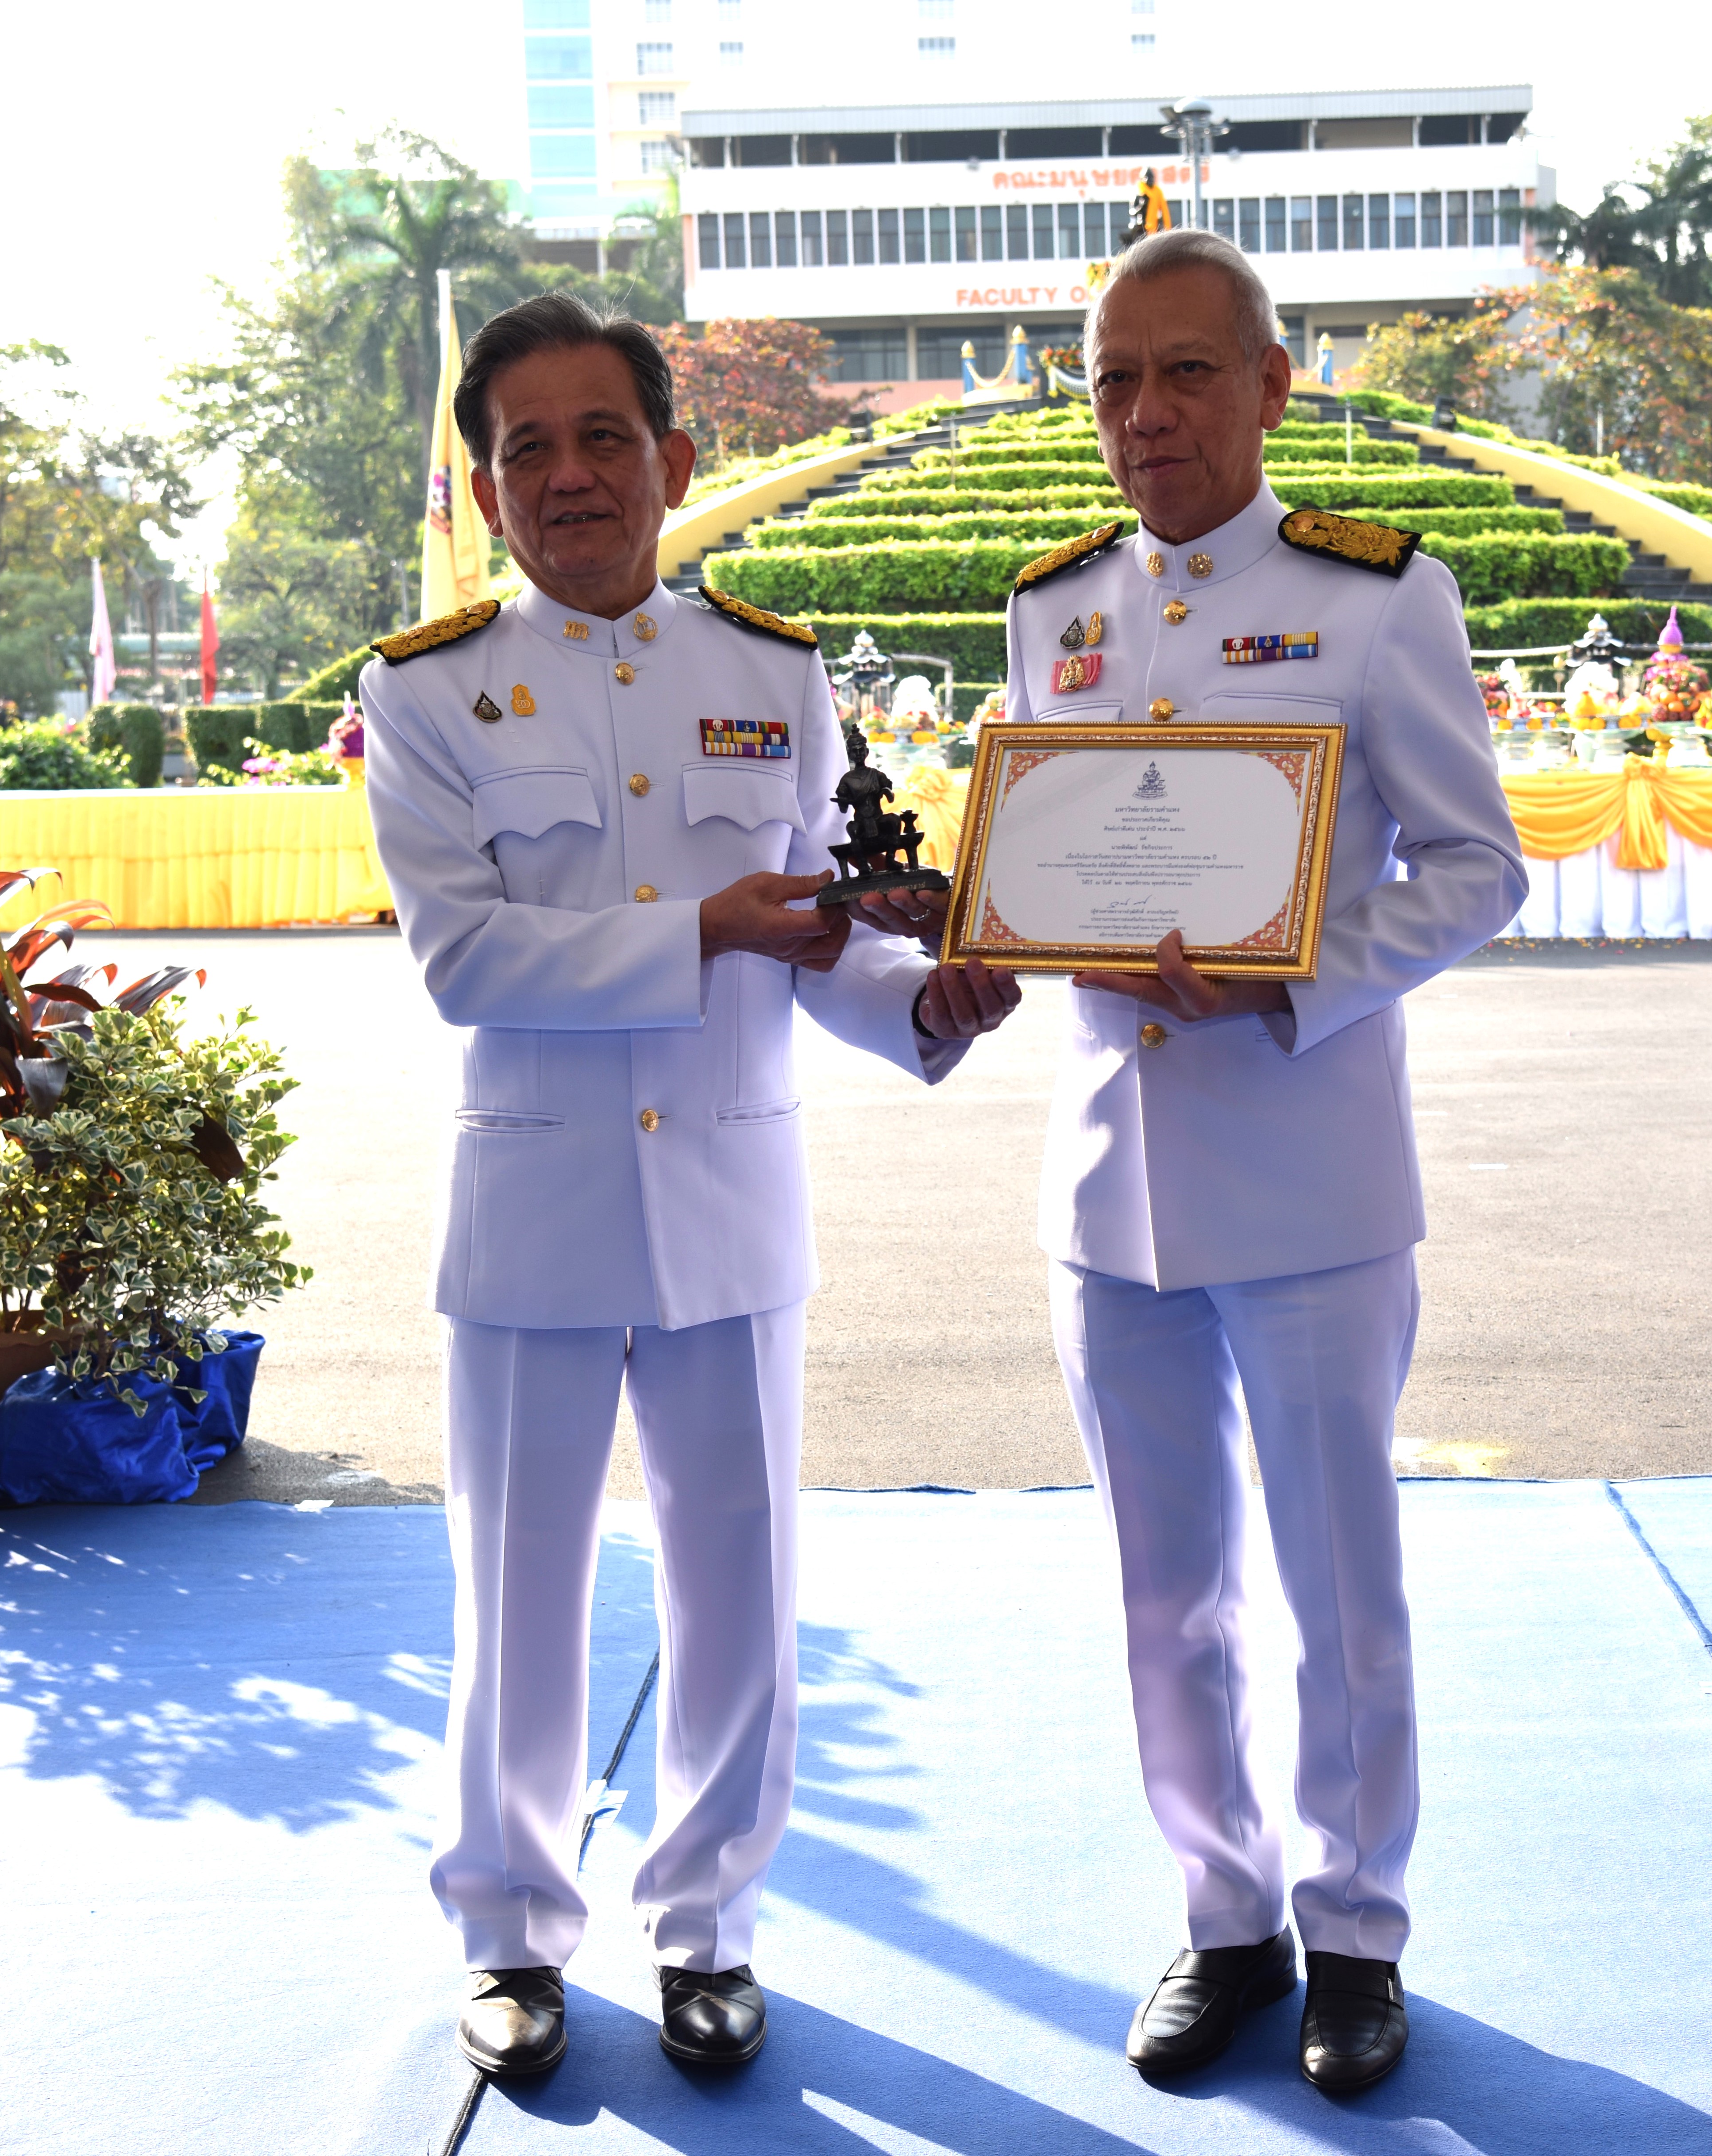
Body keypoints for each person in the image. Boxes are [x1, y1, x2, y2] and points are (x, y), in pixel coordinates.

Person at [869, 226, 1525, 2094]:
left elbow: (1478, 871)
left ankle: (1357, 1934)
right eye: (1113, 383)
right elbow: (1052, 860)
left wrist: (1292, 980)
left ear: (1270, 387)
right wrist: (969, 937)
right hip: (1108, 1185)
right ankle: (1226, 1916)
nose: (1145, 415)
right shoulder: (1057, 606)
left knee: (1339, 1587)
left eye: (1185, 373)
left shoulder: (1378, 600)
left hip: (1310, 1174)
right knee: (1164, 1594)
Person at [359, 293, 1021, 2086]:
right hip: (538, 1216)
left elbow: (818, 936)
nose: (571, 476)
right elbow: (466, 960)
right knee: (519, 1595)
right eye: (530, 451)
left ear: (674, 459)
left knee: (739, 1593)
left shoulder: (772, 675)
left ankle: (709, 1929)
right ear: (488, 491)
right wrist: (702, 929)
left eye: (604, 438)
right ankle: (511, 1934)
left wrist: (923, 1004)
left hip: (730, 1200)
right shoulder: (424, 693)